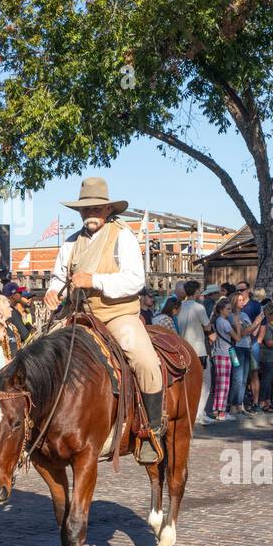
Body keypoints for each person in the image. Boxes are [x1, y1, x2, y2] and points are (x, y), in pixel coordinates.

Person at [44, 177, 166, 461]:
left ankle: (151, 430)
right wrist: (52, 291)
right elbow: (58, 275)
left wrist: (94, 280)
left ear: (108, 208)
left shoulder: (123, 236)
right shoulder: (71, 243)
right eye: (85, 210)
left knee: (145, 360)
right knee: (39, 353)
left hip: (117, 315)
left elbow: (135, 280)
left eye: (96, 209)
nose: (90, 214)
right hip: (79, 317)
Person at [176, 281, 214, 425]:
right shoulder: (199, 307)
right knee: (205, 382)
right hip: (199, 349)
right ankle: (198, 413)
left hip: (183, 349)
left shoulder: (179, 306)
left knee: (187, 383)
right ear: (197, 292)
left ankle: (192, 412)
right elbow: (207, 326)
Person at [208, 298, 235, 421]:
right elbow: (238, 337)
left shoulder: (216, 321)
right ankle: (222, 412)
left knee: (219, 384)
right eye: (228, 309)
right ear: (221, 310)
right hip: (225, 353)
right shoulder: (224, 322)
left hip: (217, 353)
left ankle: (217, 409)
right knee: (224, 384)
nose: (230, 311)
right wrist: (237, 324)